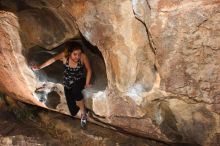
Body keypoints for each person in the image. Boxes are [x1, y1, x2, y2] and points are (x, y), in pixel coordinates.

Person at [31, 42, 92, 128]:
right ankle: (81, 105)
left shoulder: (83, 57)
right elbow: (52, 59)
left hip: (79, 80)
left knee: (76, 90)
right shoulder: (64, 56)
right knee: (73, 112)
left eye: (79, 53)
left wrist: (87, 83)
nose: (77, 56)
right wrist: (40, 67)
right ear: (70, 53)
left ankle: (83, 114)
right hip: (67, 83)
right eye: (75, 54)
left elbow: (89, 70)